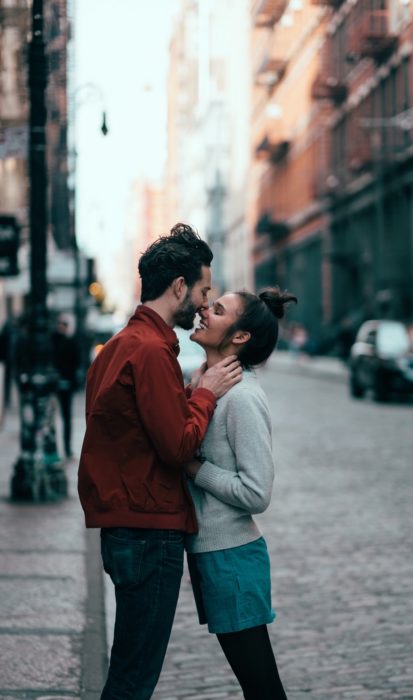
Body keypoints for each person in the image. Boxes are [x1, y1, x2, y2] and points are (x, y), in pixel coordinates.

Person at [78, 223, 242, 700]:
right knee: (134, 679)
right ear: (178, 287)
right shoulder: (150, 351)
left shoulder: (121, 346)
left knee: (129, 670)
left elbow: (134, 431)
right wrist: (207, 394)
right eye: (203, 290)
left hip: (127, 525)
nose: (204, 302)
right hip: (149, 530)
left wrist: (187, 395)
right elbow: (176, 447)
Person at [184, 287, 296, 700]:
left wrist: (196, 469)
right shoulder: (209, 386)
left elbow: (257, 492)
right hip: (215, 554)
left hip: (232, 557)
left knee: (262, 687)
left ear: (240, 336)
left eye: (216, 310)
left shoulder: (243, 398)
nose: (203, 313)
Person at [51, 314, 80, 457]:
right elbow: (77, 362)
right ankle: (63, 448)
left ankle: (65, 448)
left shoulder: (58, 342)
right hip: (62, 383)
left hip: (62, 383)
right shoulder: (63, 341)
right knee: (62, 416)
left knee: (63, 416)